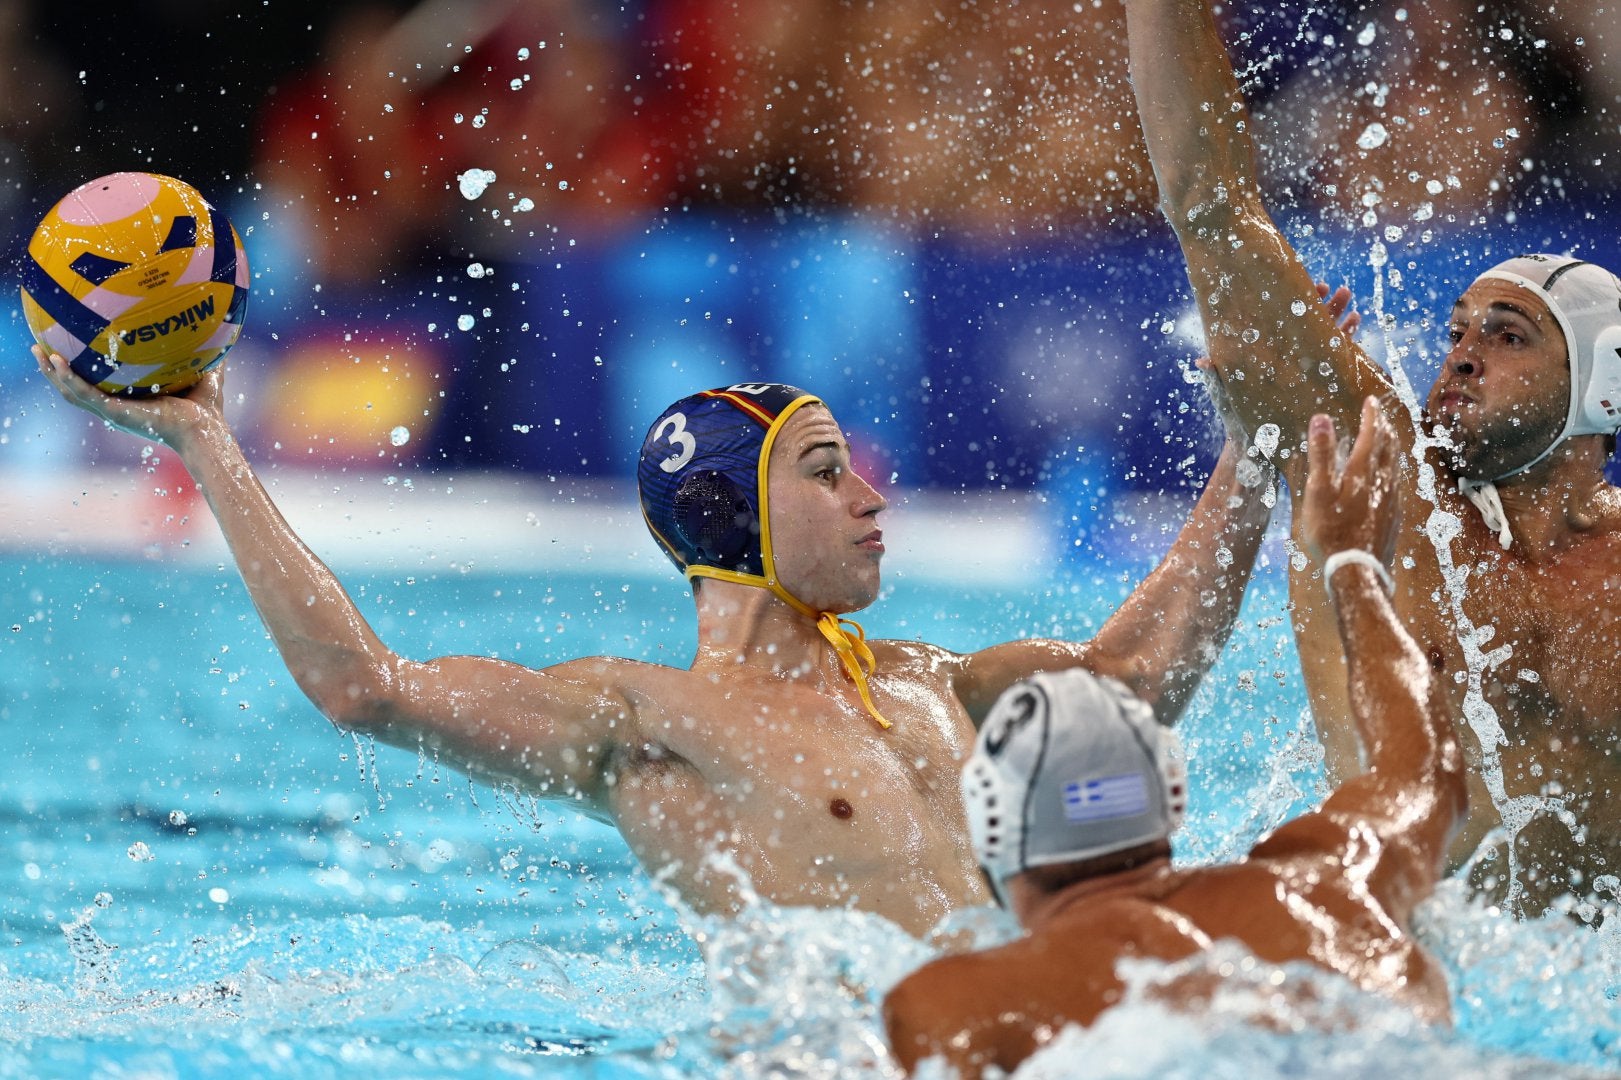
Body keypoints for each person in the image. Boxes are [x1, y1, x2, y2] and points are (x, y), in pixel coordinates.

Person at [33, 348, 1272, 939]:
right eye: (828, 471)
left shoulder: (933, 679)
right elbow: (366, 687)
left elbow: (1132, 679)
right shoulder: (644, 723)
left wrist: (1254, 449)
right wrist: (206, 442)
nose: (871, 499)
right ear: (731, 514)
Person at [1124, 0, 1621, 916]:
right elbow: (1211, 207)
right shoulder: (1381, 486)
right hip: (1392, 957)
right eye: (1457, 330)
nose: (1461, 353)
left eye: (1507, 337)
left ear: (1599, 392)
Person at [884, 398, 1467, 1078]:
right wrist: (1351, 563)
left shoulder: (957, 1000)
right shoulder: (1336, 881)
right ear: (1171, 791)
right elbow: (1425, 769)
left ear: (991, 826)